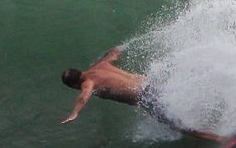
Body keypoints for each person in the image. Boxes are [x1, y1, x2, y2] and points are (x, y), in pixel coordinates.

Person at [61, 47, 222, 141]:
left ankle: (219, 139)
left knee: (181, 127)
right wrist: (118, 49)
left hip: (146, 98)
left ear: (75, 84)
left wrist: (74, 113)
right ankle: (224, 114)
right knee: (189, 103)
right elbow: (113, 54)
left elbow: (84, 95)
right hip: (152, 84)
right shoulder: (102, 65)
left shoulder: (88, 84)